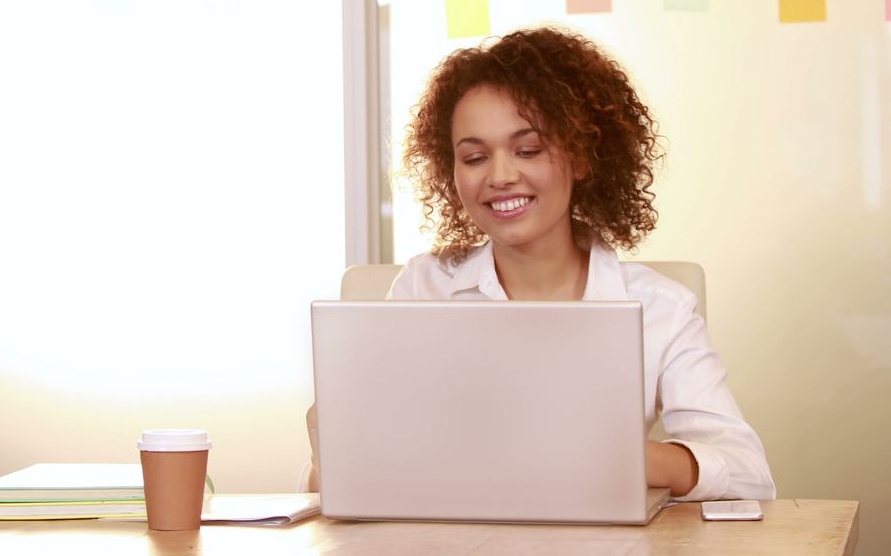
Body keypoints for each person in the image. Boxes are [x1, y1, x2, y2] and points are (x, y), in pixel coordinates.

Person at [306, 26, 774, 501]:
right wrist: (333, 448)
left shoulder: (660, 307)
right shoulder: (424, 286)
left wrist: (611, 456)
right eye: (474, 157)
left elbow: (748, 474)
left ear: (582, 158)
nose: (501, 176)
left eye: (528, 150)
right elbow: (339, 484)